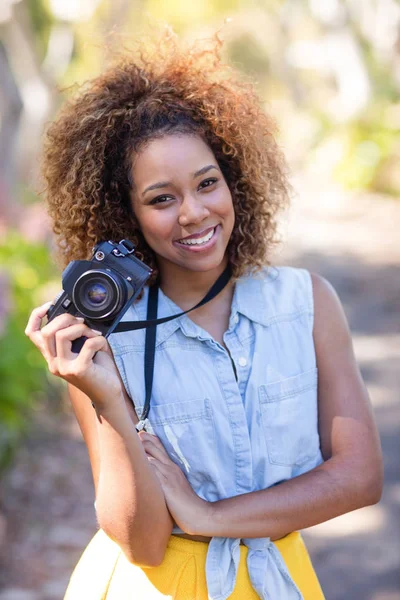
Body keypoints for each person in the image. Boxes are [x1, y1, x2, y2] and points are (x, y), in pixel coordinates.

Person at [25, 31, 383, 600]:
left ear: (234, 181)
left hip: (278, 580)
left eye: (207, 184)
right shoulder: (102, 338)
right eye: (162, 198)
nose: (194, 213)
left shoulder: (306, 303)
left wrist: (206, 515)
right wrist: (110, 401)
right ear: (128, 213)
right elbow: (141, 543)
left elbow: (359, 478)